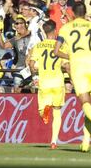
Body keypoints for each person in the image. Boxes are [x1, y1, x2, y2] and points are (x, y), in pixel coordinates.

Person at [54, 2, 91, 152]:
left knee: (84, 101)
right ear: (85, 12)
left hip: (78, 66)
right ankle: (85, 142)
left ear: (72, 13)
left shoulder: (66, 27)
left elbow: (56, 51)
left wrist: (71, 56)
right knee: (89, 103)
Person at [29, 20, 68, 149]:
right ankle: (53, 142)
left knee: (43, 112)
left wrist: (35, 72)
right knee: (57, 112)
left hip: (44, 82)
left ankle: (45, 111)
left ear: (44, 32)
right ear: (55, 30)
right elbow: (66, 65)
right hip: (58, 82)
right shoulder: (61, 46)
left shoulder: (38, 46)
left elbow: (31, 64)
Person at [0, 15, 31, 93]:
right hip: (19, 67)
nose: (18, 25)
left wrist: (23, 36)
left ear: (25, 24)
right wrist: (0, 36)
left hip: (31, 66)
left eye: (20, 23)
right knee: (17, 89)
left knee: (32, 88)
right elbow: (3, 46)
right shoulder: (15, 39)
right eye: (16, 24)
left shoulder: (32, 35)